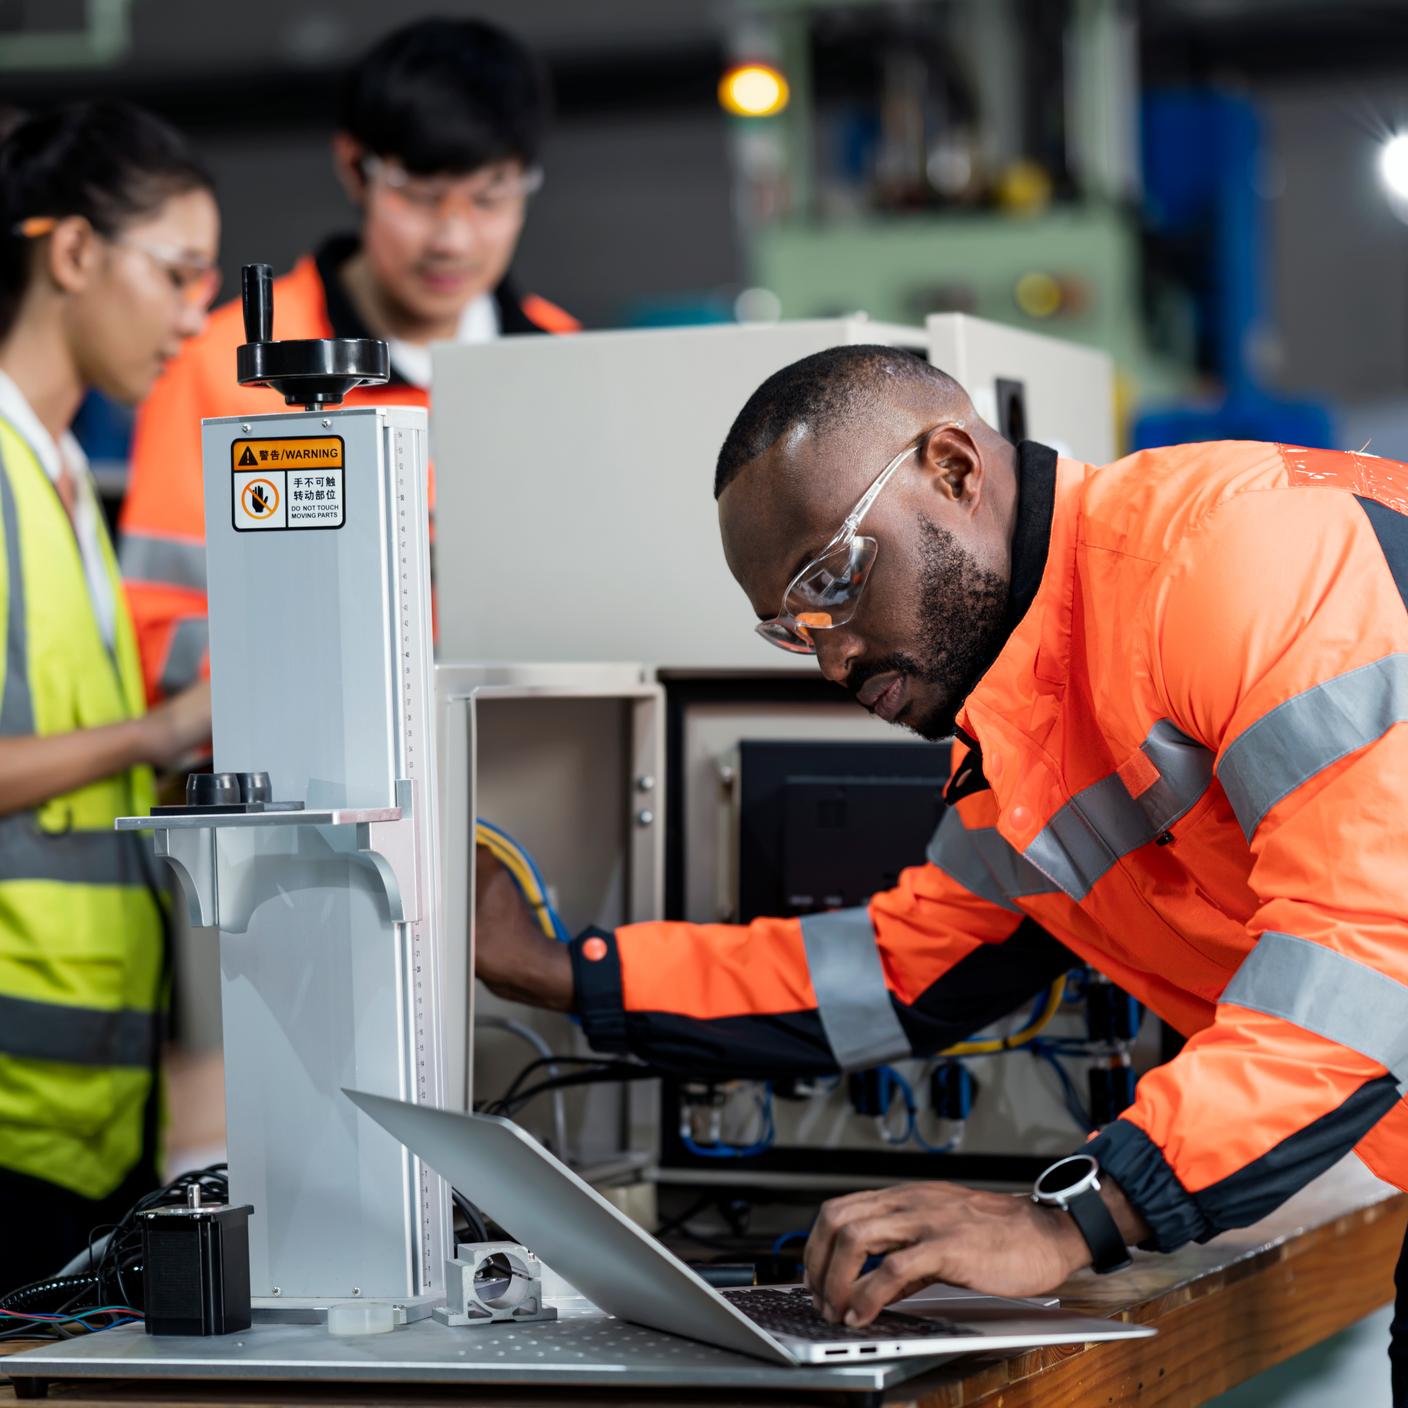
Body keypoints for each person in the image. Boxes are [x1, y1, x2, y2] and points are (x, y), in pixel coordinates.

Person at [474, 344, 1408, 1394]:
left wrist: (1074, 1214)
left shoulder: (1237, 558)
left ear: (954, 468)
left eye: (832, 580)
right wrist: (558, 970)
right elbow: (890, 973)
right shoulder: (1022, 730)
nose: (831, 657)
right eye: (793, 625)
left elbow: (1372, 961)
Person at [120, 15, 577, 703]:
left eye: (490, 197)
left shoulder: (569, 368)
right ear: (353, 170)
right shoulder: (221, 366)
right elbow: (159, 630)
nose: (452, 238)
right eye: (420, 197)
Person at [0, 100, 218, 1288]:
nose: (194, 316)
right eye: (178, 273)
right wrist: (165, 729)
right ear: (74, 252)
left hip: (88, 1104)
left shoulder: (67, 469)